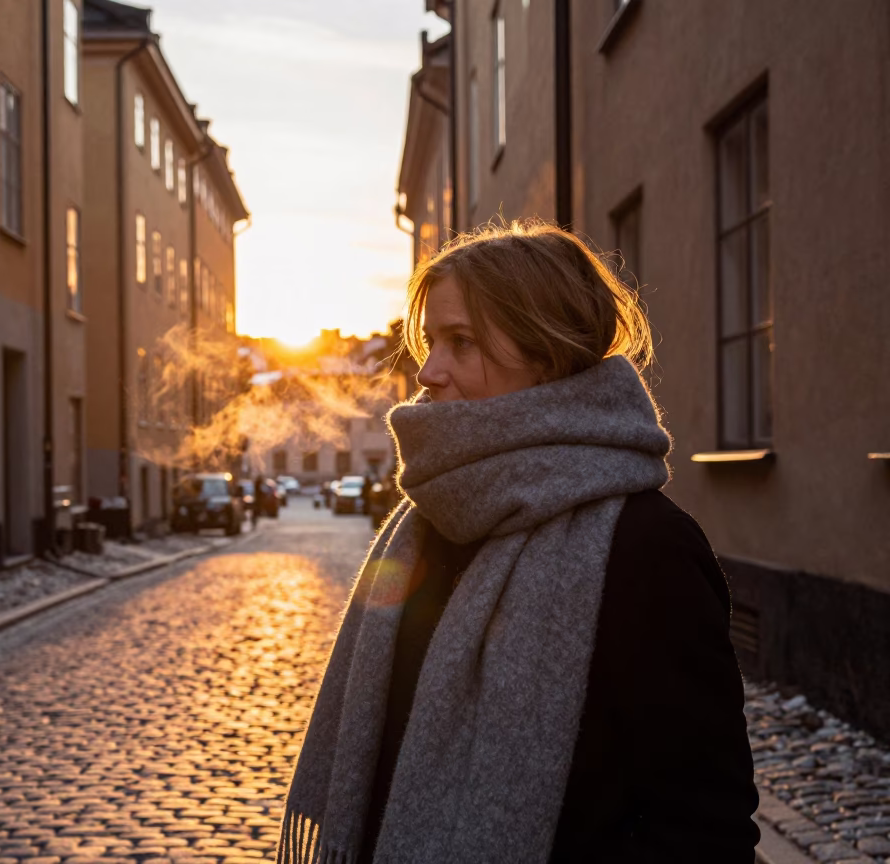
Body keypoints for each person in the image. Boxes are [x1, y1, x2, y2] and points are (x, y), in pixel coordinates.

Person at [276, 220, 758, 863]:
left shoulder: (646, 548)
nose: (428, 372)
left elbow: (702, 823)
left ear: (546, 355)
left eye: (461, 342)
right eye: (429, 342)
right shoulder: (419, 527)